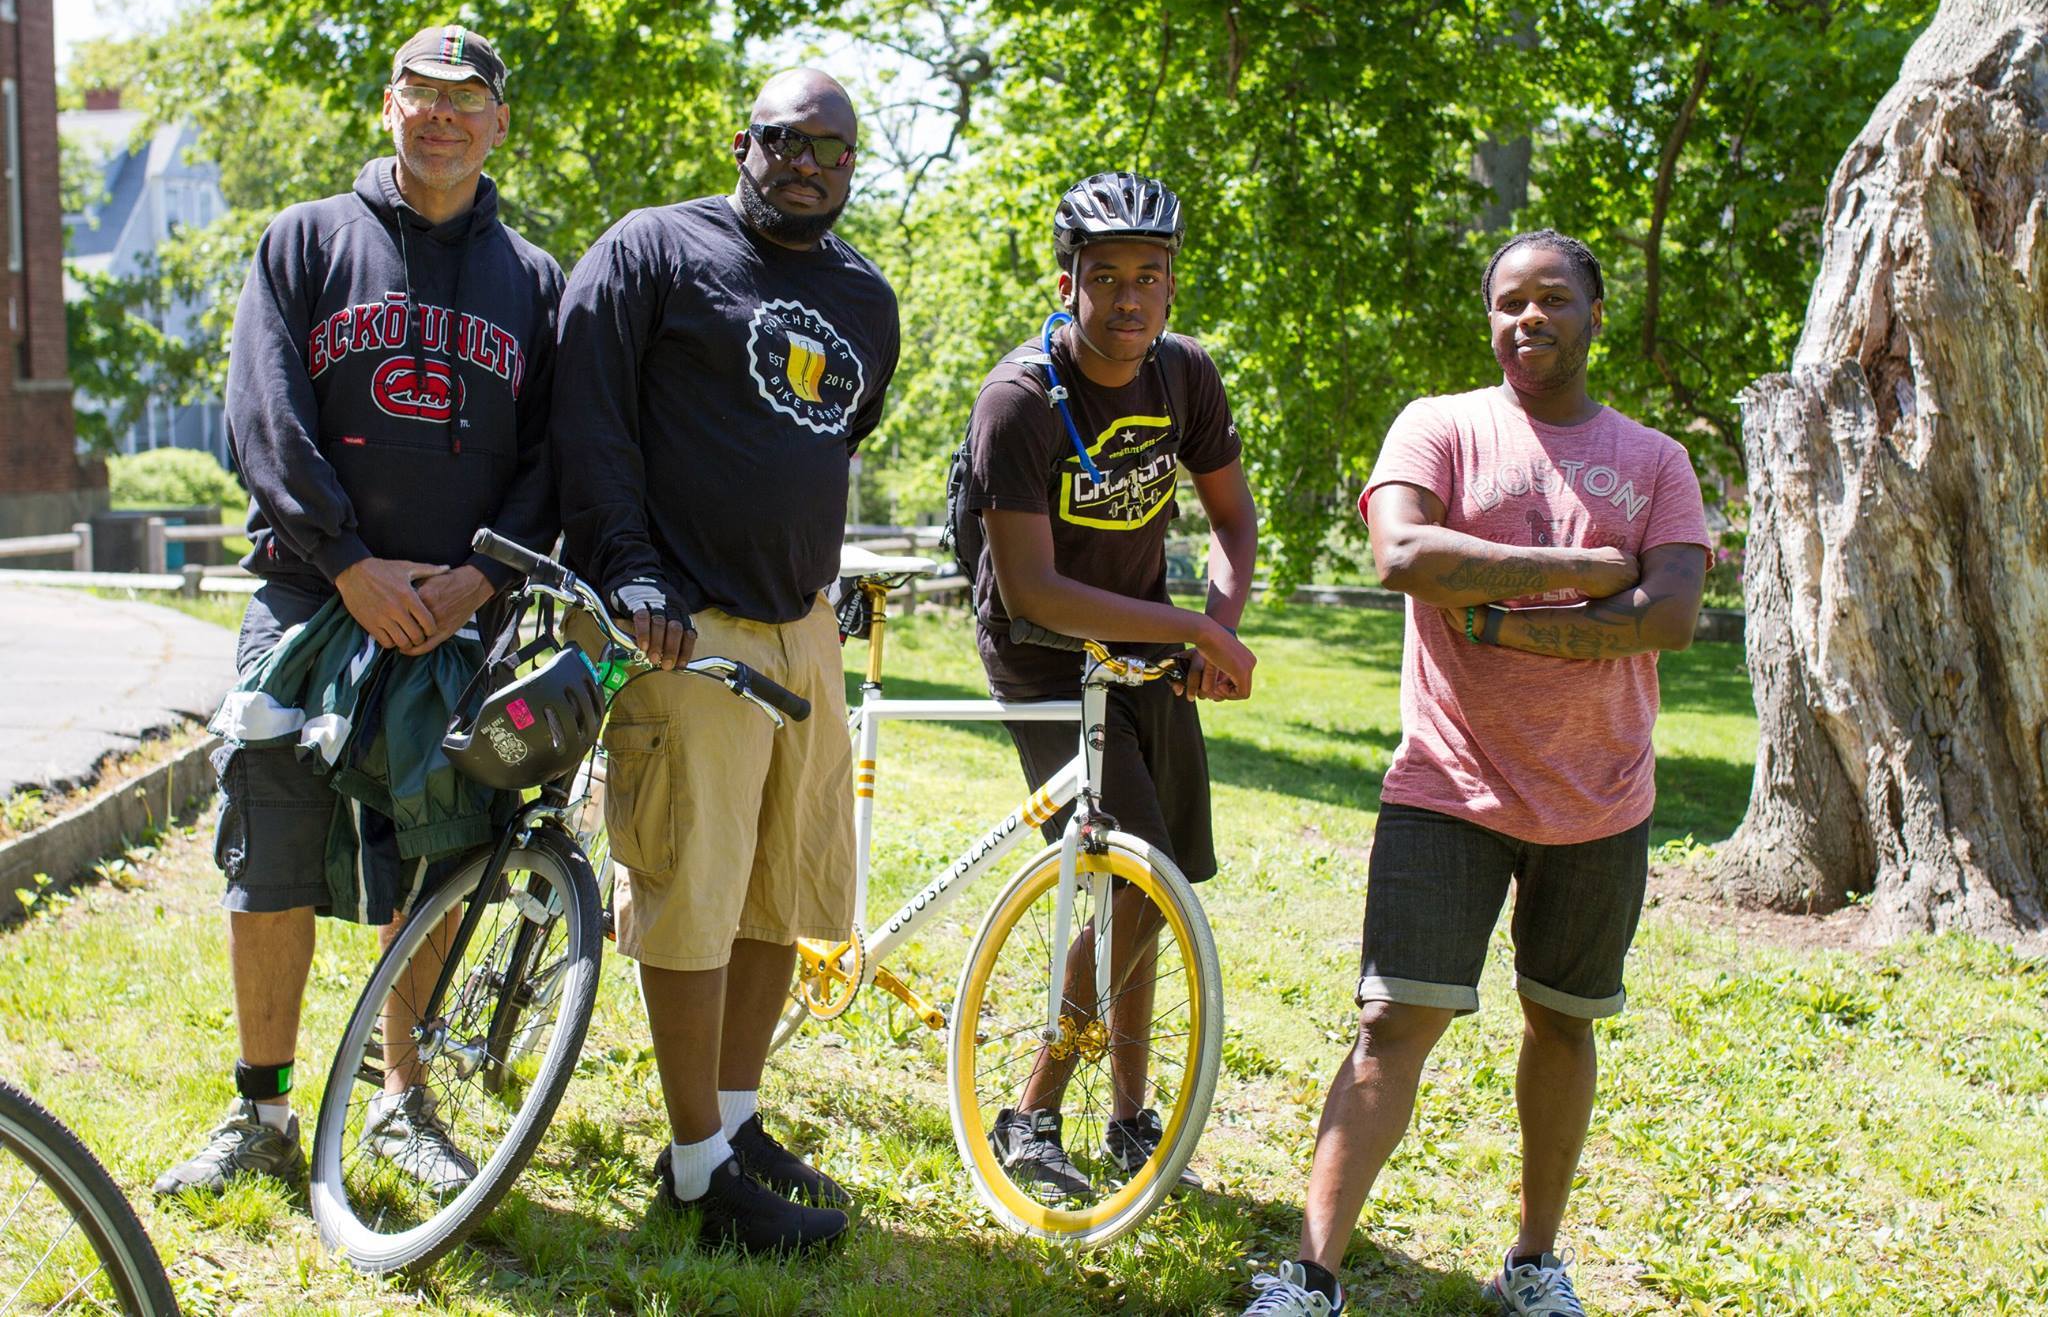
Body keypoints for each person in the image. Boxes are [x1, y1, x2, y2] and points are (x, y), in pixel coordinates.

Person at [1243, 231, 1709, 1317]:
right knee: (1390, 1024)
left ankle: (1533, 1262)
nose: (1527, 320)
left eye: (1551, 300)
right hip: (1445, 788)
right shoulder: (1439, 425)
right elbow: (1402, 558)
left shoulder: (1653, 462)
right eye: (1507, 303)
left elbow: (1671, 615)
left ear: (1593, 311)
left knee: (1561, 1021)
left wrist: (1493, 617)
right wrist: (1585, 576)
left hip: (1600, 798)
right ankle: (1310, 1276)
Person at [154, 26, 563, 1197]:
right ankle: (263, 1111)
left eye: (465, 100)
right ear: (388, 107)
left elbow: (555, 459)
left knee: (438, 849)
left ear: (497, 124)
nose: (441, 116)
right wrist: (347, 563)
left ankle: (401, 1103)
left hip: (459, 613)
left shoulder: (533, 280)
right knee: (270, 840)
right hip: (309, 595)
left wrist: (481, 579)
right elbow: (263, 410)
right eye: (420, 96)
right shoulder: (305, 241)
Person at [551, 68, 898, 1254]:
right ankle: (695, 1168)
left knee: (779, 888)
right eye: (787, 140)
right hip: (678, 626)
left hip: (800, 628)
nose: (808, 163)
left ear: (853, 167)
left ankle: (737, 1121)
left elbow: (828, 442)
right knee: (692, 894)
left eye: (833, 150)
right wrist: (630, 569)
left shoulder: (865, 298)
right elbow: (586, 422)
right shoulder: (651, 251)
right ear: (741, 140)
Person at [961, 171, 1257, 1200]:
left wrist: (1209, 634)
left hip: (1146, 648)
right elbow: (1037, 592)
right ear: (1066, 281)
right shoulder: (1019, 400)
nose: (1128, 298)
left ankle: (1128, 1119)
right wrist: (1184, 627)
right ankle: (1031, 1110)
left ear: (1172, 286)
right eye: (1105, 277)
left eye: (1149, 276)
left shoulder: (1183, 376)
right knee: (1129, 873)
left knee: (1158, 880)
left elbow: (1231, 521)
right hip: (1043, 650)